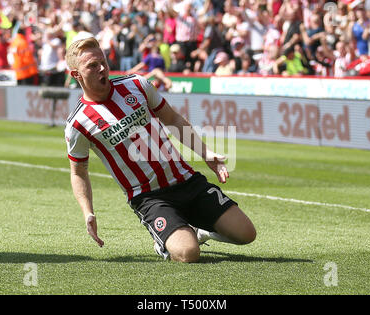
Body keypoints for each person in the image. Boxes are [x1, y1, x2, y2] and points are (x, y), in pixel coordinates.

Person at [64, 37, 256, 263]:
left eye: (103, 62)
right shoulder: (78, 123)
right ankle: (164, 244)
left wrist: (205, 153)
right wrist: (88, 212)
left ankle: (200, 231)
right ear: (76, 75)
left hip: (186, 181)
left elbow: (173, 118)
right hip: (149, 197)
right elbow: (78, 172)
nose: (102, 69)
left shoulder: (136, 85)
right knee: (188, 254)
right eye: (92, 66)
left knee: (247, 234)